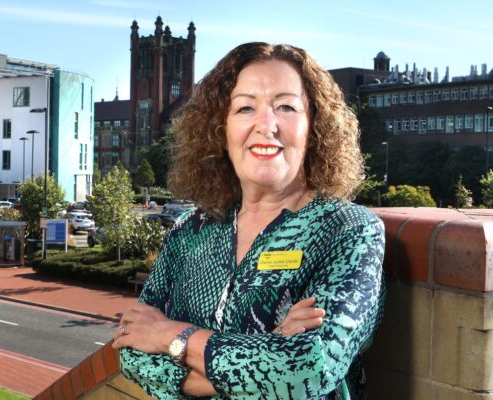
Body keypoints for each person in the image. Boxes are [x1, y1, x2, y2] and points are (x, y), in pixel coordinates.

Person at [113, 42, 386, 399]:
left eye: (286, 106)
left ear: (314, 126)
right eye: (245, 108)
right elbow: (131, 349)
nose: (266, 125)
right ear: (220, 129)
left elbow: (308, 369)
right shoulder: (191, 231)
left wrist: (171, 336)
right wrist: (267, 352)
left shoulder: (348, 232)